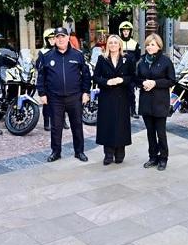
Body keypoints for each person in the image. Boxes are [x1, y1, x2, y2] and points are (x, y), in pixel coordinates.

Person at [36, 27, 91, 162]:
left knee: (77, 125)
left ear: (68, 38)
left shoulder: (78, 55)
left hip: (75, 97)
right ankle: (56, 152)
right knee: (56, 127)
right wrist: (42, 93)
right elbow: (41, 76)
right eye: (57, 37)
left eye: (63, 37)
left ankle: (79, 151)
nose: (60, 39)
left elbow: (86, 75)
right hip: (55, 98)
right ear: (54, 39)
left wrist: (86, 92)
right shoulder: (47, 56)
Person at [93, 35, 135, 165]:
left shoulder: (127, 59)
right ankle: (108, 154)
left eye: (115, 42)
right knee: (107, 124)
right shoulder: (102, 59)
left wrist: (122, 80)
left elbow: (133, 77)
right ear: (107, 45)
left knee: (121, 124)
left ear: (120, 45)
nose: (113, 45)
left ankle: (120, 152)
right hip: (107, 96)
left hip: (122, 96)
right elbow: (95, 77)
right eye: (110, 42)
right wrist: (107, 82)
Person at [136, 33, 175, 171]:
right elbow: (137, 79)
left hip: (160, 102)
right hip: (146, 101)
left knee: (161, 132)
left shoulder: (165, 61)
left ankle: (163, 158)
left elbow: (171, 80)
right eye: (147, 44)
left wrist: (155, 83)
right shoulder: (141, 61)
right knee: (150, 132)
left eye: (152, 44)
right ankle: (153, 156)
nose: (149, 47)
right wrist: (143, 83)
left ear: (159, 46)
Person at [119, 21, 141, 119]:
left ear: (130, 31)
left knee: (131, 92)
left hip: (131, 73)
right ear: (121, 31)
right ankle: (121, 110)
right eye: (124, 30)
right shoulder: (118, 42)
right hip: (119, 72)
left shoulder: (135, 44)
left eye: (127, 30)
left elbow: (137, 56)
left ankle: (133, 111)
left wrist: (131, 64)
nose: (126, 32)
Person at [37, 28, 56, 131]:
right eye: (50, 39)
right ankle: (46, 122)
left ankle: (63, 121)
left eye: (54, 38)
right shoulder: (43, 52)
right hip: (47, 80)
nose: (53, 40)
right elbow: (38, 66)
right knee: (47, 103)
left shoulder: (60, 50)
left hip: (57, 81)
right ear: (46, 40)